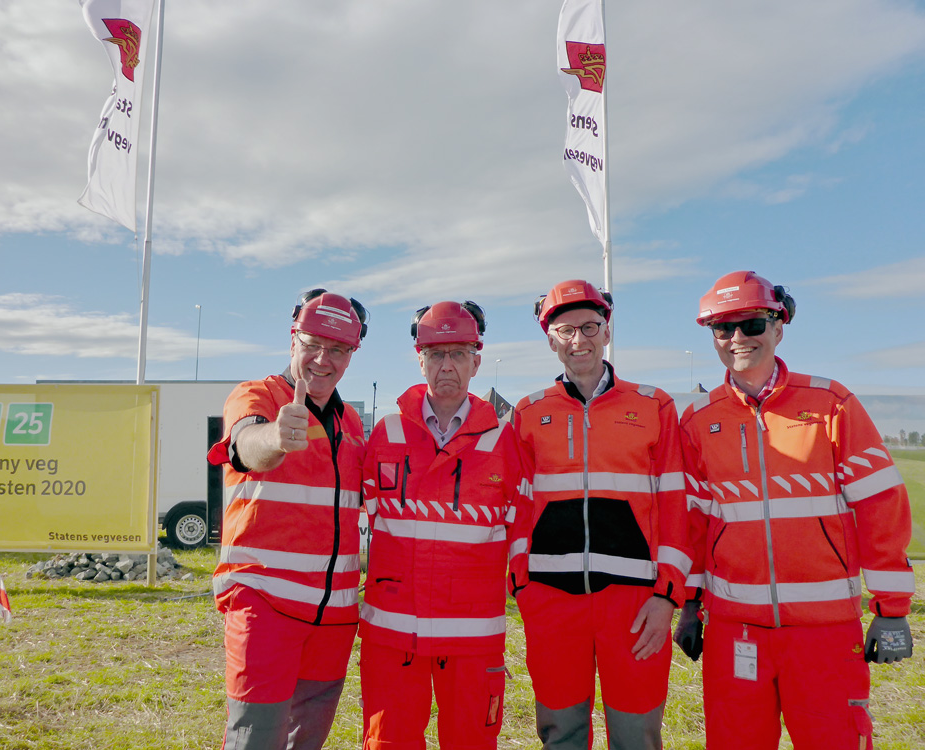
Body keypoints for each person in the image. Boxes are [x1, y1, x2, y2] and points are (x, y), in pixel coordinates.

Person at [675, 270, 915, 750]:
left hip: (824, 634)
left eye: (752, 324)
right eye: (724, 328)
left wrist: (891, 610)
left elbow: (879, 506)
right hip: (734, 631)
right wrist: (689, 605)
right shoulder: (698, 420)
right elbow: (695, 524)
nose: (738, 338)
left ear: (779, 326)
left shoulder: (831, 403)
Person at [512, 280, 690, 750]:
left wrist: (668, 595)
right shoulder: (528, 413)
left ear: (606, 331)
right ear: (550, 340)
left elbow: (675, 505)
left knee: (635, 736)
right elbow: (516, 506)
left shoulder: (654, 405)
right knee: (561, 733)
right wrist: (522, 585)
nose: (579, 340)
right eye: (565, 331)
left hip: (635, 604)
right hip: (550, 600)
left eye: (589, 327)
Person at [359, 300, 531, 750]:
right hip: (394, 635)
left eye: (458, 354)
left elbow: (523, 532)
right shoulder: (386, 433)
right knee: (388, 743)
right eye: (436, 354)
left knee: (472, 742)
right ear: (420, 359)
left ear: (477, 360)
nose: (447, 366)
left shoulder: (504, 440)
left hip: (473, 640)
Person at [206, 289, 369, 750]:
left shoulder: (352, 423)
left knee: (307, 742)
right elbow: (246, 445)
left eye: (338, 349)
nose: (323, 359)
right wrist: (276, 436)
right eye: (312, 343)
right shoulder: (256, 395)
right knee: (255, 740)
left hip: (334, 619)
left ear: (352, 355)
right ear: (292, 338)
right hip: (265, 607)